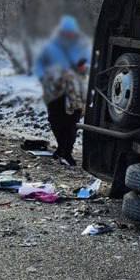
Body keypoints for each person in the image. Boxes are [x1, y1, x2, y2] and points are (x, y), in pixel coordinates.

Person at [35, 14, 92, 166]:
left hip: (74, 91)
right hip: (54, 91)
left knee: (71, 122)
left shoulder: (81, 46)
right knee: (55, 121)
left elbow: (88, 65)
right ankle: (62, 148)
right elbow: (41, 65)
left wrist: (81, 68)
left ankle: (67, 151)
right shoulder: (51, 47)